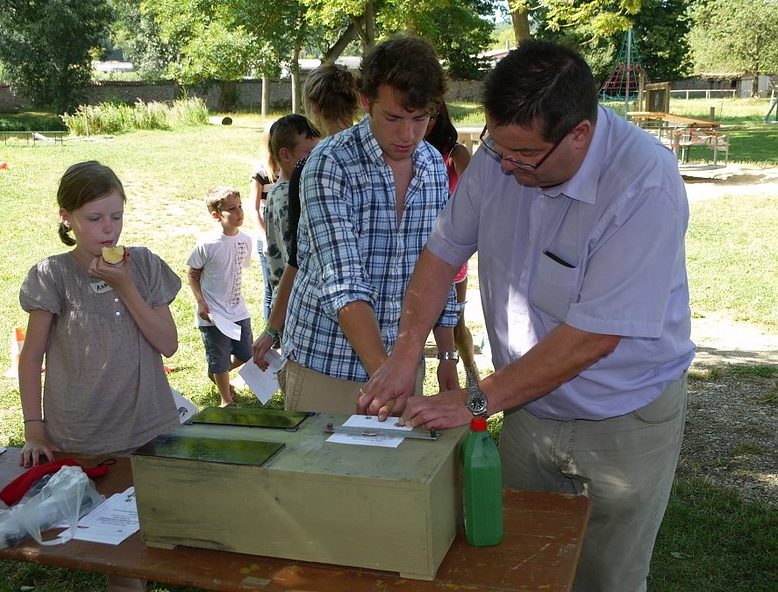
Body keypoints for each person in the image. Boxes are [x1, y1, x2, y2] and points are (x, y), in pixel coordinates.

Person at [360, 39, 695, 592]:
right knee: (516, 563)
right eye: (499, 148)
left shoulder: (645, 182)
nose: (507, 166)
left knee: (605, 577)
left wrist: (473, 400)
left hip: (625, 414)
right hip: (529, 406)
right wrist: (403, 357)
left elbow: (595, 335)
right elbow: (443, 252)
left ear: (579, 134)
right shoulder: (502, 152)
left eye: (524, 156)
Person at [18, 160, 181, 592]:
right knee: (114, 551)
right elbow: (31, 356)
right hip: (85, 433)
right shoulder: (52, 275)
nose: (108, 230)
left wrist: (126, 286)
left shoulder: (143, 266)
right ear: (66, 219)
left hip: (148, 424)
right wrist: (34, 428)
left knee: (154, 534)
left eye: (116, 216)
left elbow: (168, 343)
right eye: (93, 219)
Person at [279, 36, 460, 414]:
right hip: (326, 365)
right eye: (393, 118)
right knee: (322, 475)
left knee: (400, 473)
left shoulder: (431, 166)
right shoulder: (330, 163)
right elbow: (343, 282)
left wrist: (446, 355)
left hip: (403, 365)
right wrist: (387, 375)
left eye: (420, 119)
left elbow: (440, 268)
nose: (408, 135)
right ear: (366, 102)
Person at [252, 63, 360, 369]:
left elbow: (297, 259)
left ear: (311, 106)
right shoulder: (392, 155)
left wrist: (274, 327)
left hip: (321, 331)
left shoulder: (311, 167)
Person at [424, 103, 480, 386]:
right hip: (417, 250)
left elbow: (473, 196)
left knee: (455, 325)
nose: (425, 121)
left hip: (450, 252)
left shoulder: (454, 153)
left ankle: (471, 376)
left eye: (431, 115)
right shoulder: (407, 150)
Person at [187, 185, 254, 407]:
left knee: (246, 353)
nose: (239, 213)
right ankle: (226, 400)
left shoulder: (245, 240)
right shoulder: (207, 244)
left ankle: (218, 372)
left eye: (240, 207)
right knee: (220, 356)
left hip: (238, 310)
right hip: (213, 315)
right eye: (232, 209)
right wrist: (201, 302)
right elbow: (193, 273)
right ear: (216, 216)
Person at [263, 114, 320, 307]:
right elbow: (298, 256)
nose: (317, 159)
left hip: (285, 298)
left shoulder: (275, 192)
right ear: (285, 154)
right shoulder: (289, 197)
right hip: (294, 301)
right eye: (310, 153)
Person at [250, 129, 278, 321]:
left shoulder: (293, 168)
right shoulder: (260, 172)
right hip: (267, 236)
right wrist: (265, 239)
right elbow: (253, 210)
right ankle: (272, 340)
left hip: (286, 236)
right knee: (270, 289)